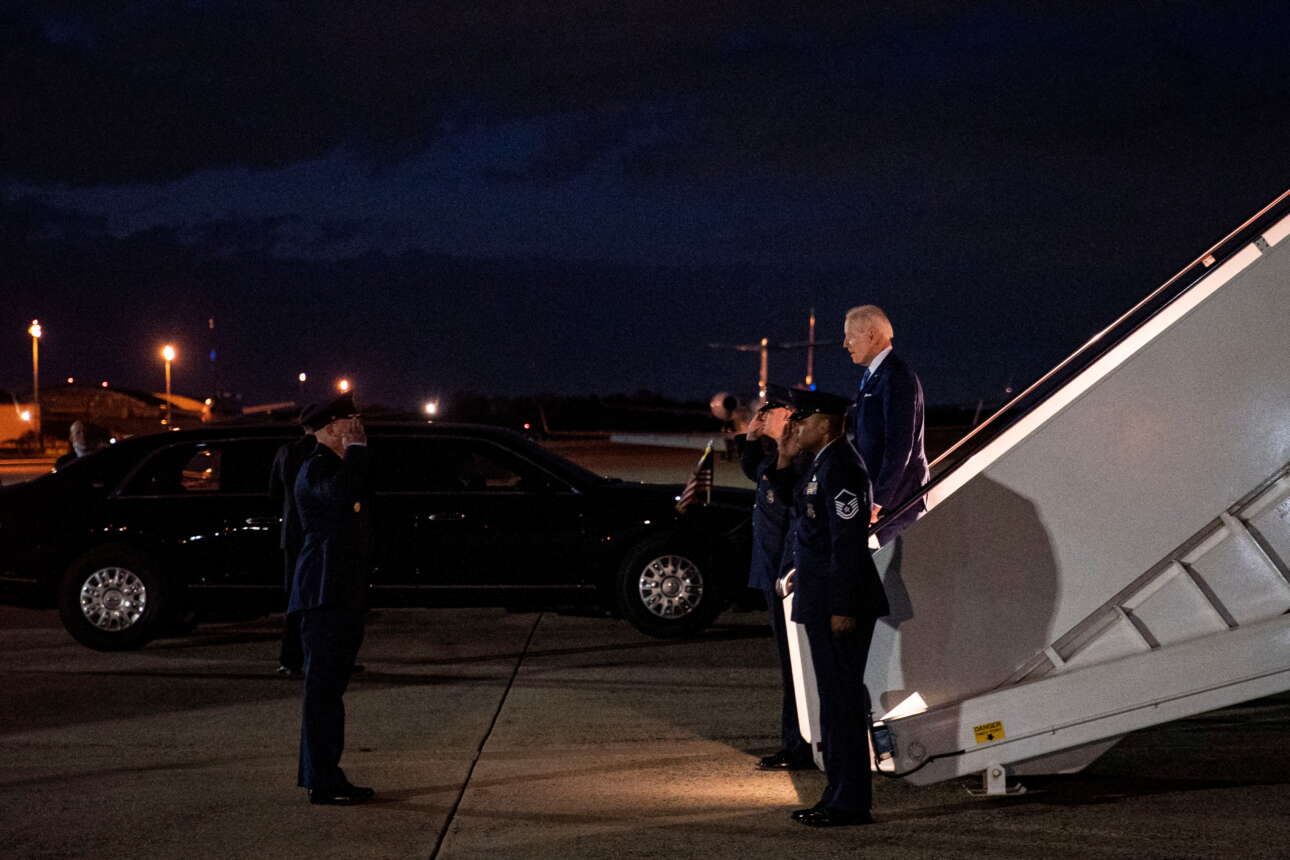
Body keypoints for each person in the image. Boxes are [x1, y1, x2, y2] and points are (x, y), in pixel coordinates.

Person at [782, 388, 890, 827]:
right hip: (822, 596)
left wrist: (843, 605)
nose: (796, 427)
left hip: (838, 601)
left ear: (826, 424)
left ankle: (850, 802)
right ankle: (836, 793)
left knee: (842, 702)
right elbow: (799, 512)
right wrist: (785, 457)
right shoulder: (822, 462)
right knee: (832, 700)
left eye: (803, 420)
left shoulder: (842, 465)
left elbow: (847, 541)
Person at [290, 392, 376, 805]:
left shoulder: (334, 464)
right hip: (323, 591)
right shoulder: (318, 466)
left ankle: (326, 774)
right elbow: (341, 495)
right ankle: (321, 779)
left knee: (330, 689)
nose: (357, 426)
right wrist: (356, 451)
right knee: (322, 691)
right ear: (329, 428)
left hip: (339, 590)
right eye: (349, 421)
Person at [739, 384, 813, 772]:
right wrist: (752, 438)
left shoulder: (800, 460)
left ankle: (800, 746)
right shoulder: (778, 458)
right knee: (789, 663)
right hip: (772, 572)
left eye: (773, 410)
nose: (764, 414)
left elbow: (785, 495)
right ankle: (796, 742)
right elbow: (755, 472)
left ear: (791, 417)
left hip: (787, 574)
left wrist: (779, 451)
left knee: (794, 664)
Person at [842, 305, 929, 546]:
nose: (845, 344)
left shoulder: (896, 376)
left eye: (850, 337)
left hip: (896, 503)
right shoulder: (877, 376)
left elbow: (900, 445)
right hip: (882, 502)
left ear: (871, 335)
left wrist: (879, 500)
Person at [268, 410, 318, 677]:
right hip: (320, 533)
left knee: (295, 598)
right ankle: (320, 655)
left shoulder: (286, 452)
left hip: (292, 534)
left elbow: (274, 492)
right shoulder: (326, 452)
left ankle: (290, 658)